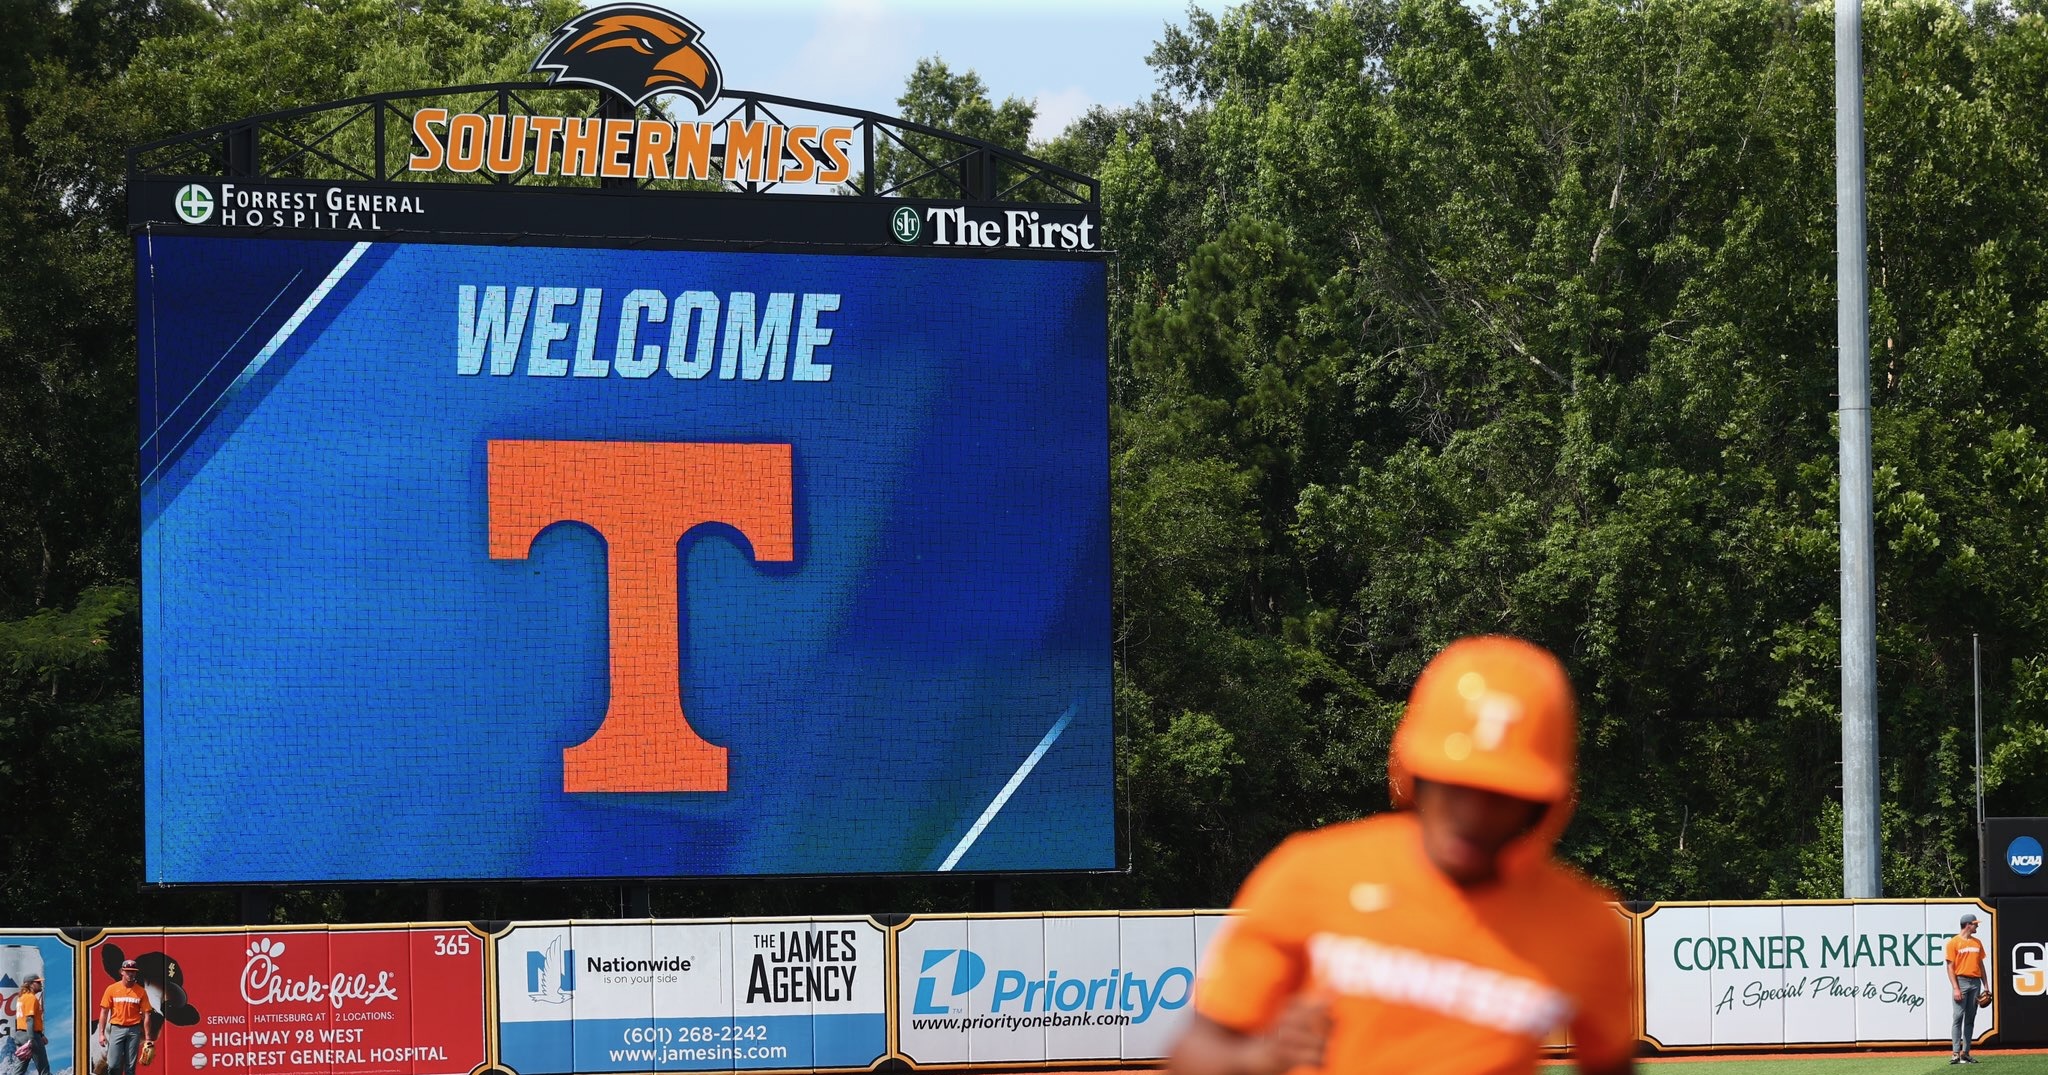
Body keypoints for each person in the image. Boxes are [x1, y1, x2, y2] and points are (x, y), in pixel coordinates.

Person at [1169, 635, 1635, 1075]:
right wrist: (1261, 1058)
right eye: (1456, 784)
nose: (1473, 814)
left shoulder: (1585, 927)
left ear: (1541, 804)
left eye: (1501, 793)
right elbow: (1194, 1052)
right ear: (1414, 770)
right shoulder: (1312, 872)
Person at [98, 959, 154, 1075]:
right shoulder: (112, 989)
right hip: (116, 1028)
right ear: (122, 972)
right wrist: (101, 1034)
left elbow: (147, 1015)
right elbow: (104, 1012)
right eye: (128, 971)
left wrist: (148, 1038)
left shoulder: (141, 991)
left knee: (130, 1068)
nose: (130, 974)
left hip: (134, 1030)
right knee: (113, 1065)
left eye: (133, 971)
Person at [1947, 912, 1989, 1064]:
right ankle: (1955, 1053)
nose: (1977, 925)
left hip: (1975, 982)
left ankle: (1966, 1052)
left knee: (1970, 1018)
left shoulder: (1977, 942)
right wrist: (1956, 988)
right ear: (1968, 925)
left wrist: (1986, 985)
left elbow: (1981, 965)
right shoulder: (1953, 942)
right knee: (1958, 1017)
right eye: (1975, 923)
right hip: (1961, 981)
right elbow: (1950, 968)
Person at [7, 974, 48, 1075]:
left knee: (19, 1070)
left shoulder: (21, 998)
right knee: (44, 1069)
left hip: (20, 1036)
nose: (40, 984)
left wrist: (41, 1035)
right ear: (31, 984)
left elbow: (19, 1020)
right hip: (30, 1036)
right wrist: (32, 1039)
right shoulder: (31, 998)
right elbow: (29, 1019)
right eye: (38, 982)